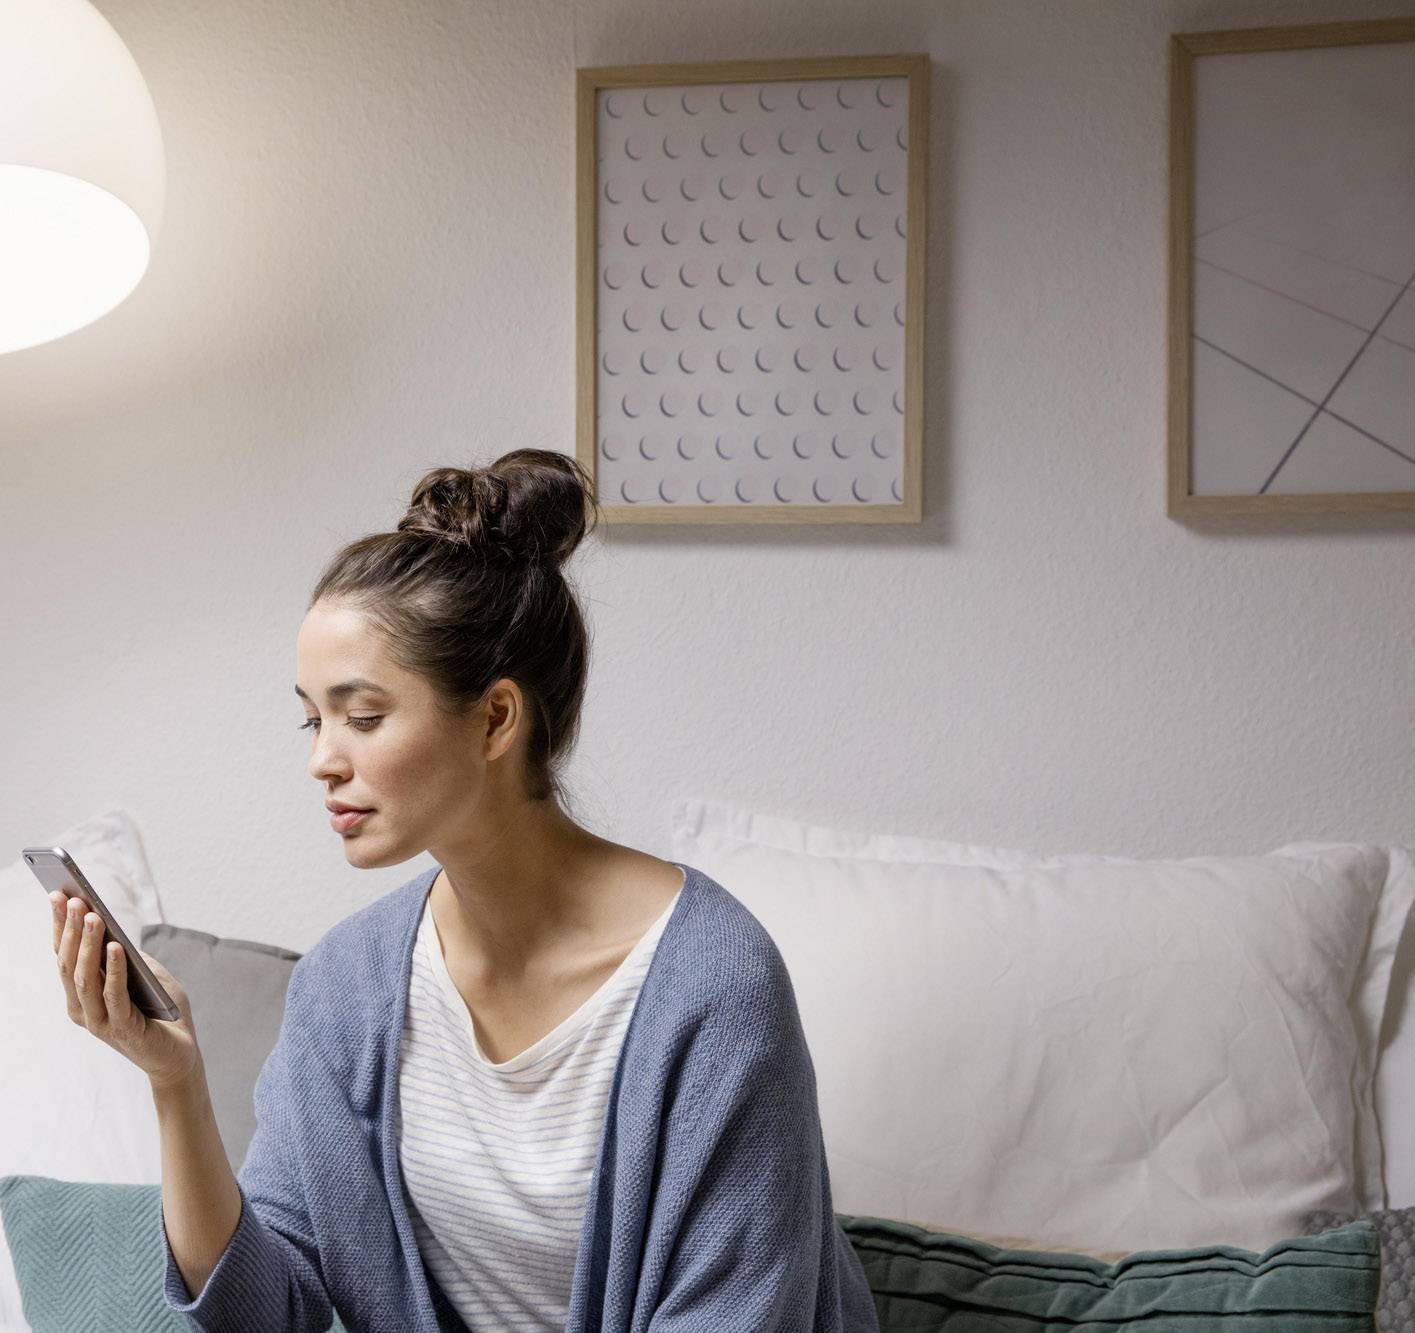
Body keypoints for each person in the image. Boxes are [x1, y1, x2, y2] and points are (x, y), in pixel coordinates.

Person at [46, 448, 880, 1332]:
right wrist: (175, 1080)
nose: (322, 759)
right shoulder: (347, 986)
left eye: (363, 716)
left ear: (495, 718)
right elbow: (269, 1314)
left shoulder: (713, 986)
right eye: (312, 715)